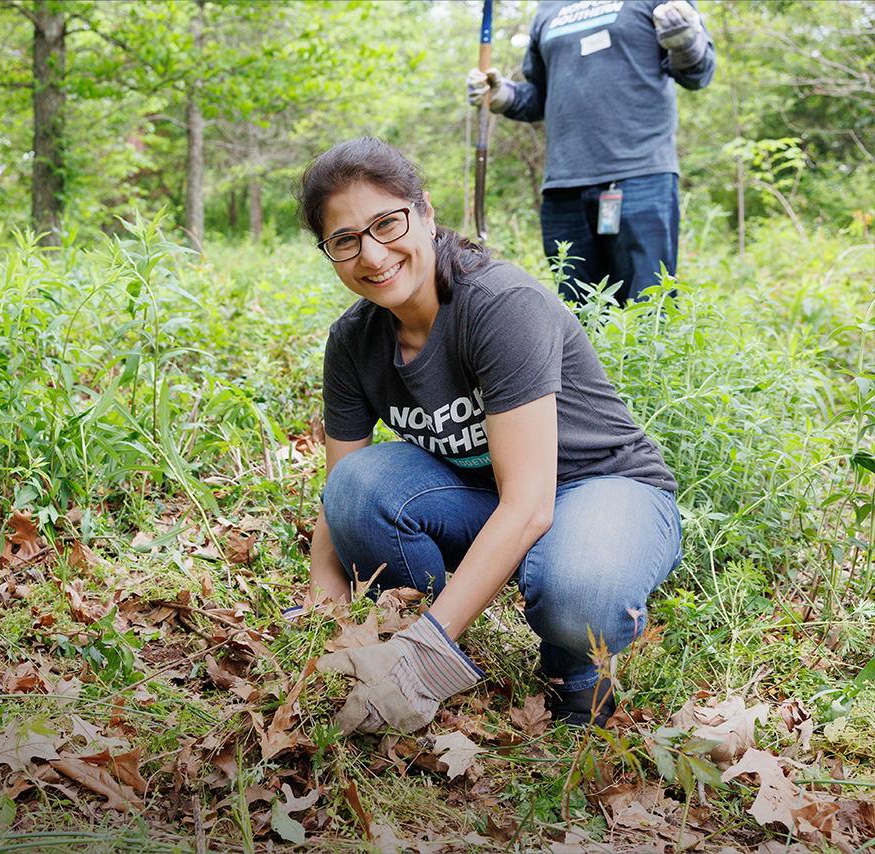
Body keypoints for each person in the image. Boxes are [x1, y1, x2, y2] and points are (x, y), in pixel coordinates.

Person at [296, 137, 682, 733]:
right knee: (359, 489)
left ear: (425, 212)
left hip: (602, 488)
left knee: (577, 589)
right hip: (485, 494)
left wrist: (423, 658)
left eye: (386, 223)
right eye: (345, 240)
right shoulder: (353, 340)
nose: (372, 256)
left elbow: (529, 503)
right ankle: (416, 631)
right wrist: (324, 605)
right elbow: (338, 487)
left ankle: (573, 671)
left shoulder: (500, 305)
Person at [466, 0, 716, 305]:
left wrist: (687, 43)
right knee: (576, 314)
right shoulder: (549, 10)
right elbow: (539, 96)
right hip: (563, 188)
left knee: (648, 308)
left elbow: (698, 74)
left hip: (640, 178)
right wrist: (502, 94)